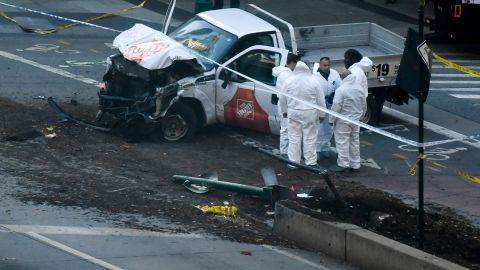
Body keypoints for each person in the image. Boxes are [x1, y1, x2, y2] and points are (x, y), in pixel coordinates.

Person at [281, 61, 326, 169]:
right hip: (309, 113)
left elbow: (283, 98)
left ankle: (293, 162)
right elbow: (320, 100)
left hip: (293, 112)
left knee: (294, 138)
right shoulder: (313, 81)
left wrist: (285, 111)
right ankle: (311, 162)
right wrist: (322, 114)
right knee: (309, 138)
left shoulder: (288, 81)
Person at [329, 69, 367, 172]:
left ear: (343, 78)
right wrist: (361, 116)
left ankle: (343, 164)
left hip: (343, 121)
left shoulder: (341, 89)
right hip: (356, 120)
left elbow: (336, 106)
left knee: (342, 143)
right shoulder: (359, 88)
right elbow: (364, 105)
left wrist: (331, 120)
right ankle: (355, 164)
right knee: (354, 142)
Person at [313, 57, 342, 158]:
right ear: (320, 65)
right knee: (319, 128)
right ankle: (317, 150)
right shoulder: (314, 76)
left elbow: (340, 88)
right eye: (324, 65)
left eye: (328, 65)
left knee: (329, 127)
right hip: (319, 105)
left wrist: (333, 97)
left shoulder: (334, 74)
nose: (327, 67)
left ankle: (325, 147)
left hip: (331, 103)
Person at [272, 53, 300, 158]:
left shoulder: (284, 73)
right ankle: (284, 152)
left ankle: (286, 151)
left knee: (286, 128)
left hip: (286, 104)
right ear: (292, 63)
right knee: (286, 129)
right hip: (286, 104)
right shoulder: (286, 75)